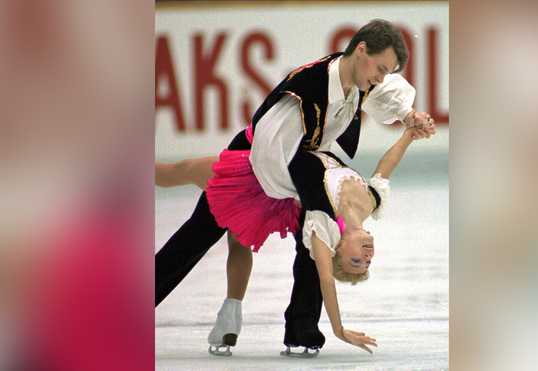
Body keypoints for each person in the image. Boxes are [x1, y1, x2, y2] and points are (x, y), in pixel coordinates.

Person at [155, 18, 436, 355]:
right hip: (253, 167)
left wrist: (408, 118)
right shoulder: (306, 90)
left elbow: (387, 94)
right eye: (380, 67)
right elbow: (268, 151)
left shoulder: (361, 78)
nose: (380, 77)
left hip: (297, 177)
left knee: (316, 239)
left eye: (385, 71)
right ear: (360, 50)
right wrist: (311, 193)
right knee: (197, 235)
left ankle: (302, 331)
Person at [158, 124, 433, 355]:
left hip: (253, 170)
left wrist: (338, 329)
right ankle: (234, 312)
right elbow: (385, 167)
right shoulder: (373, 201)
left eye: (356, 261)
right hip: (277, 163)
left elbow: (326, 278)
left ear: (337, 249)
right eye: (367, 262)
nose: (368, 256)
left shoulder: (321, 225)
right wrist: (409, 134)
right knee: (234, 237)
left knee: (174, 175)